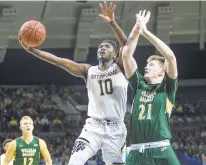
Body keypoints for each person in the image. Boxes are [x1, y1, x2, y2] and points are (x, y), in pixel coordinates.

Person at [19, 2, 128, 165]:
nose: (102, 48)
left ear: (116, 54)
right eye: (100, 47)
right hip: (93, 127)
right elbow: (59, 61)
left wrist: (112, 23)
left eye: (106, 47)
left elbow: (127, 45)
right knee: (74, 161)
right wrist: (33, 51)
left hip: (116, 128)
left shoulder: (121, 67)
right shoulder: (88, 71)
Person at [122, 10, 181, 165]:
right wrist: (137, 28)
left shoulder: (167, 88)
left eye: (151, 65)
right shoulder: (139, 85)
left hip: (161, 149)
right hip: (136, 152)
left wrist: (146, 31)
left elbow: (171, 57)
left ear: (162, 72)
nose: (146, 67)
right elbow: (126, 55)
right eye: (146, 65)